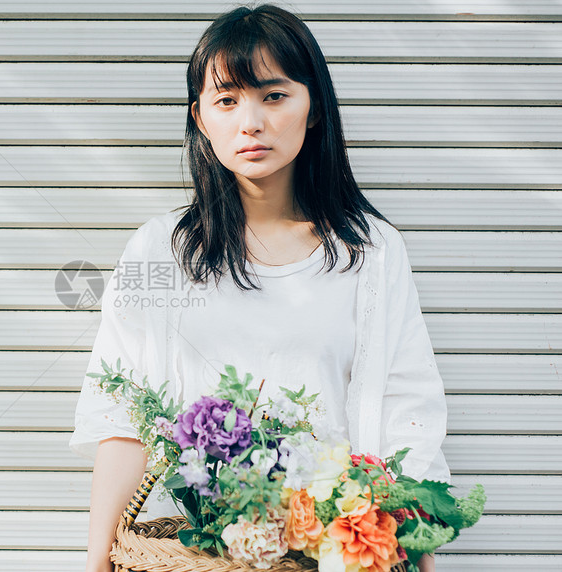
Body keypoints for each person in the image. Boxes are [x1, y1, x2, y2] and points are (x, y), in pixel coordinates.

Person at [69, 5, 448, 572]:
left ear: (313, 105)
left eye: (274, 96)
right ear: (201, 118)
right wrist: (98, 559)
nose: (251, 122)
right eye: (227, 100)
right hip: (186, 555)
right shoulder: (160, 251)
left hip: (332, 554)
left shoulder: (371, 252)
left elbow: (407, 412)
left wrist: (417, 557)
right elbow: (123, 422)